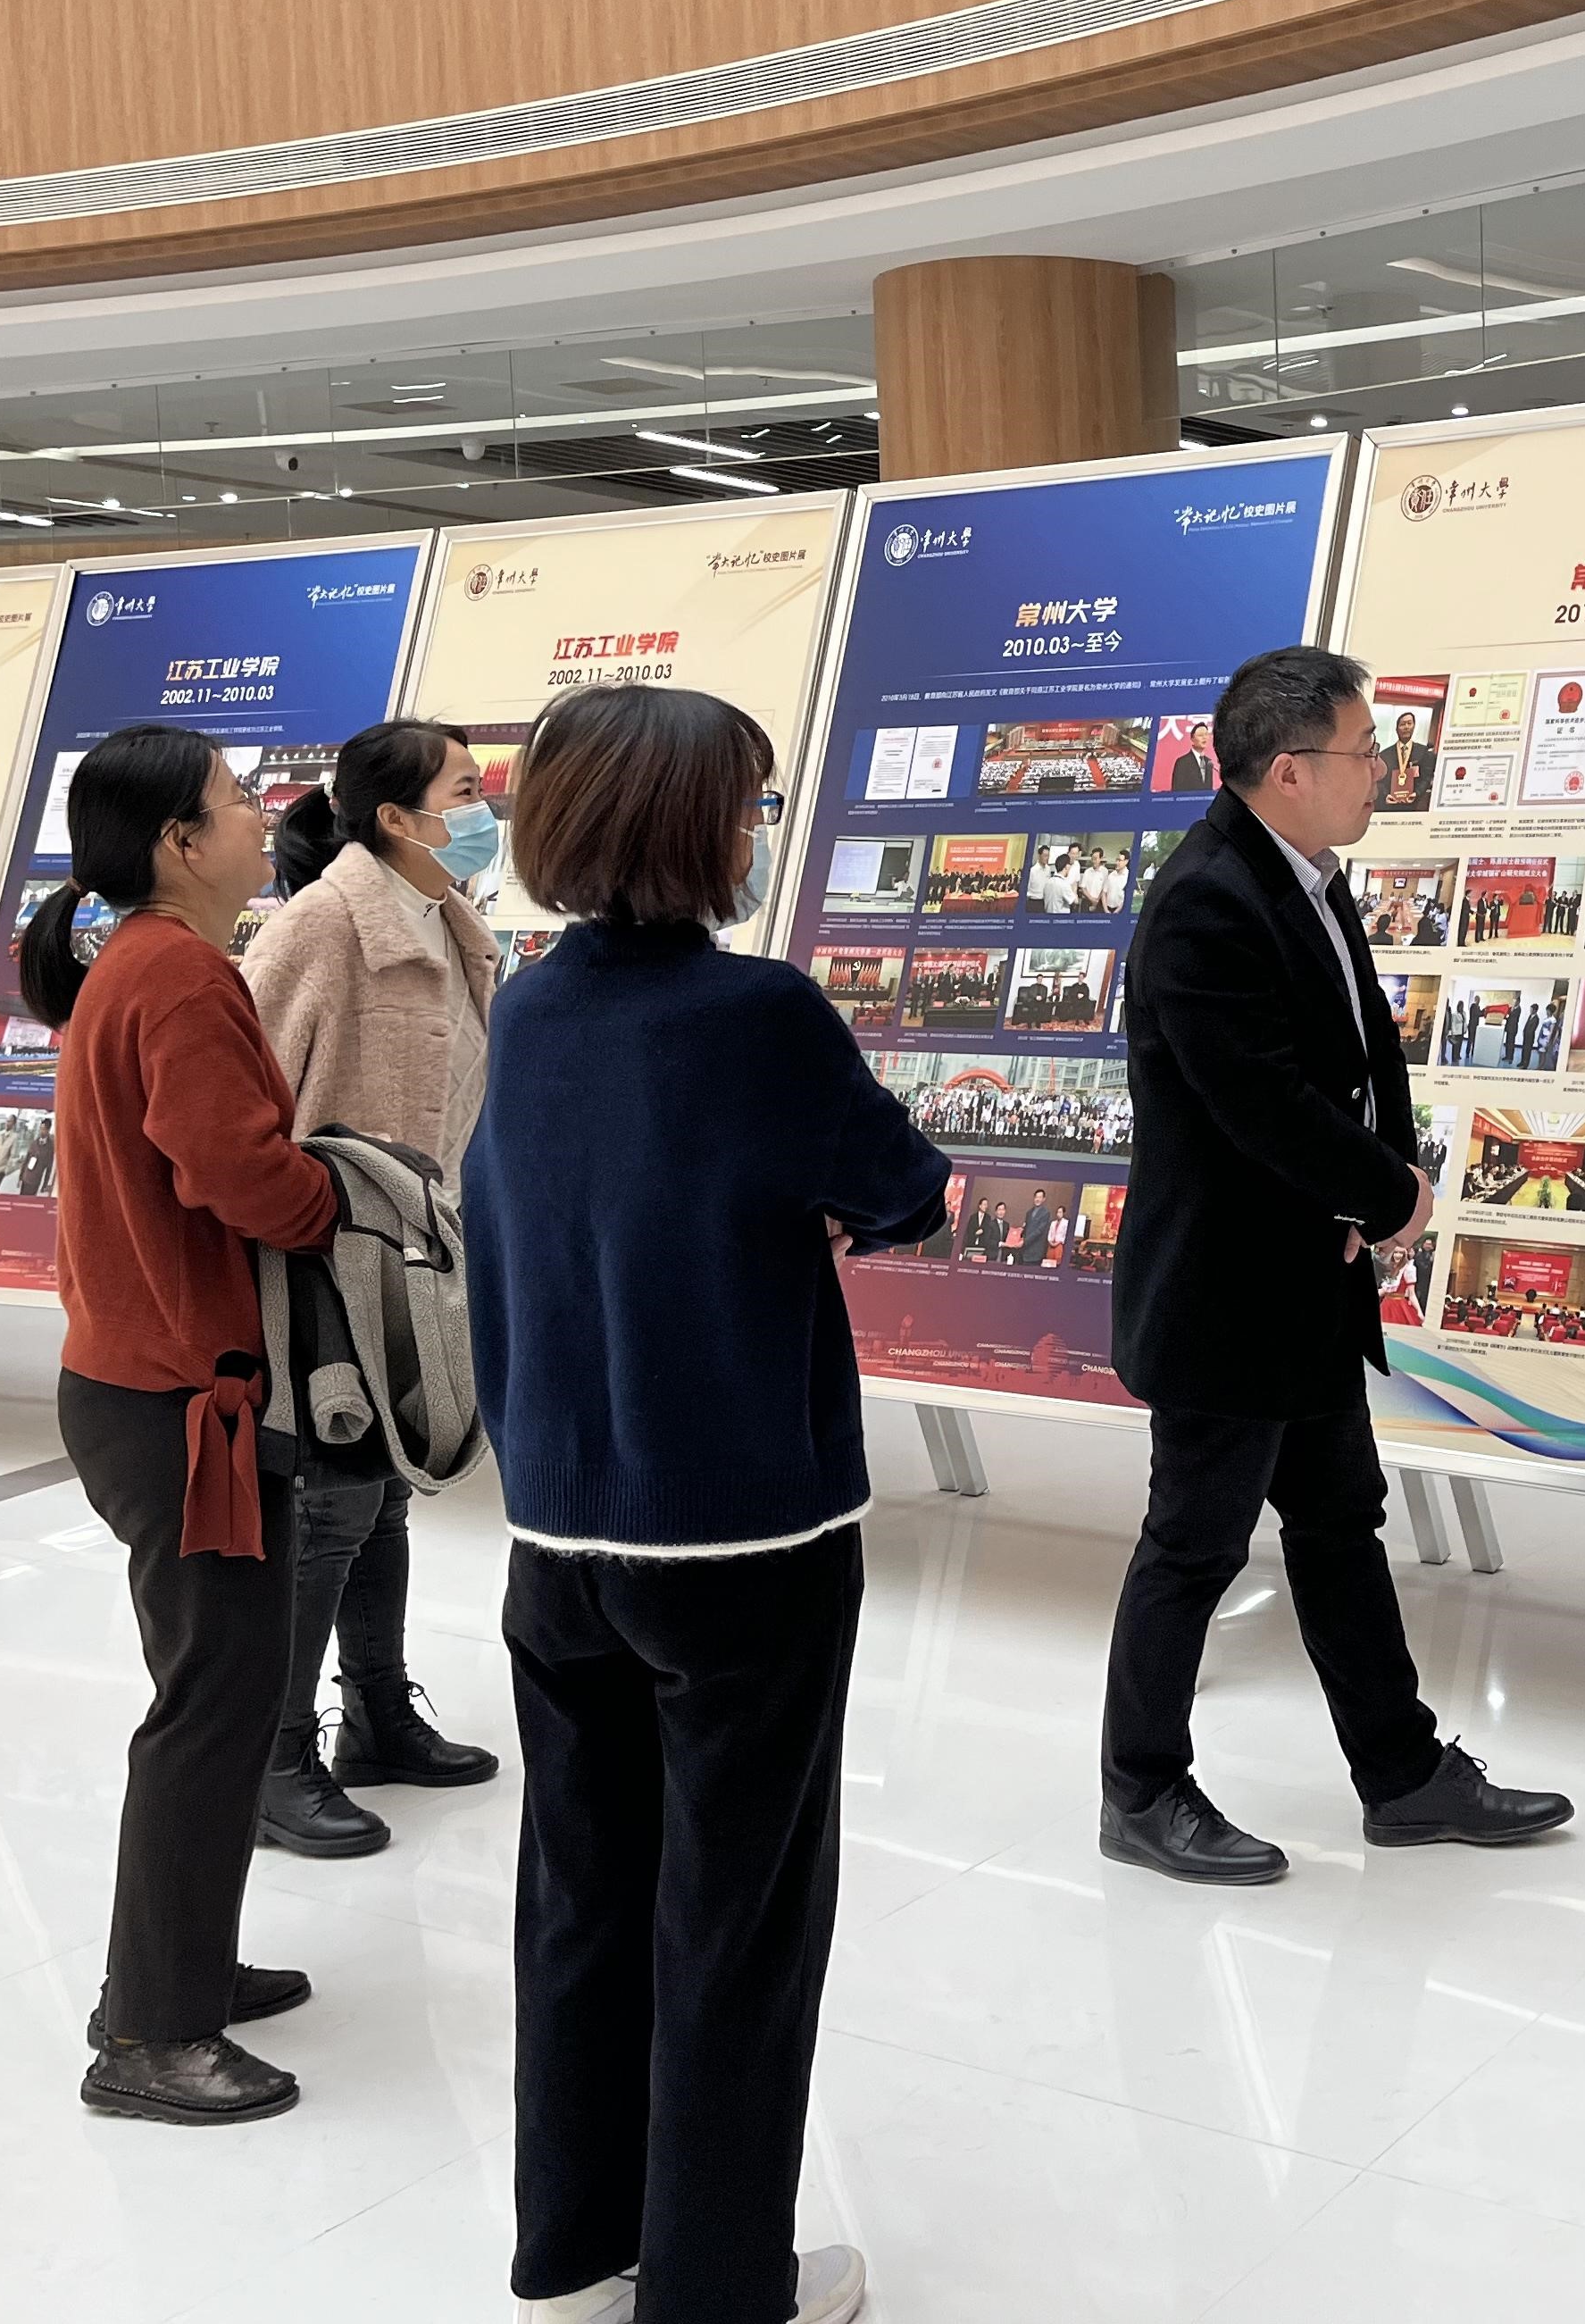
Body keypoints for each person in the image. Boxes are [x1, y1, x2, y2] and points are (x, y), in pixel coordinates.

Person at [465, 684, 948, 2324]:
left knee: (580, 1896)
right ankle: (719, 2287)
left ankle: (573, 2252)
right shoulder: (761, 1014)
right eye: (746, 803)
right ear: (697, 825)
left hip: (558, 1528)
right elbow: (904, 1187)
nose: (754, 829)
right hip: (743, 1533)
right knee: (739, 1920)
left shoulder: (529, 1006)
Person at [1104, 646, 1571, 1883]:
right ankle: (1140, 1791)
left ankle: (1402, 1774)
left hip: (1306, 1285)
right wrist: (1387, 1192)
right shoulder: (1207, 899)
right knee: (1194, 1545)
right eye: (1367, 753)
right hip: (1224, 1297)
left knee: (1337, 1523)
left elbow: (1362, 1057)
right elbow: (1258, 1100)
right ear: (1290, 769)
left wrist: (1386, 1180)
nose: (1384, 773)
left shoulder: (1306, 876)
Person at [33, 725, 342, 2128]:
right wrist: (344, 1201)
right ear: (177, 841)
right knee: (213, 1705)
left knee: (217, 1690)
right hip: (181, 1405)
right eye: (234, 801)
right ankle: (150, 2036)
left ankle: (179, 1964)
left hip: (144, 1387)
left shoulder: (142, 963)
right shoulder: (177, 973)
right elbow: (238, 1174)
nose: (259, 816)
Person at [238, 720, 505, 1860]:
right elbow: (245, 1095)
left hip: (416, 1254)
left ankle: (379, 1715)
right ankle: (273, 1756)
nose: (486, 809)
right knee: (331, 1500)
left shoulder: (452, 921)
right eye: (466, 790)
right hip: (326, 1257)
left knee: (386, 1487)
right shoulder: (321, 923)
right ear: (397, 816)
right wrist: (309, 1221)